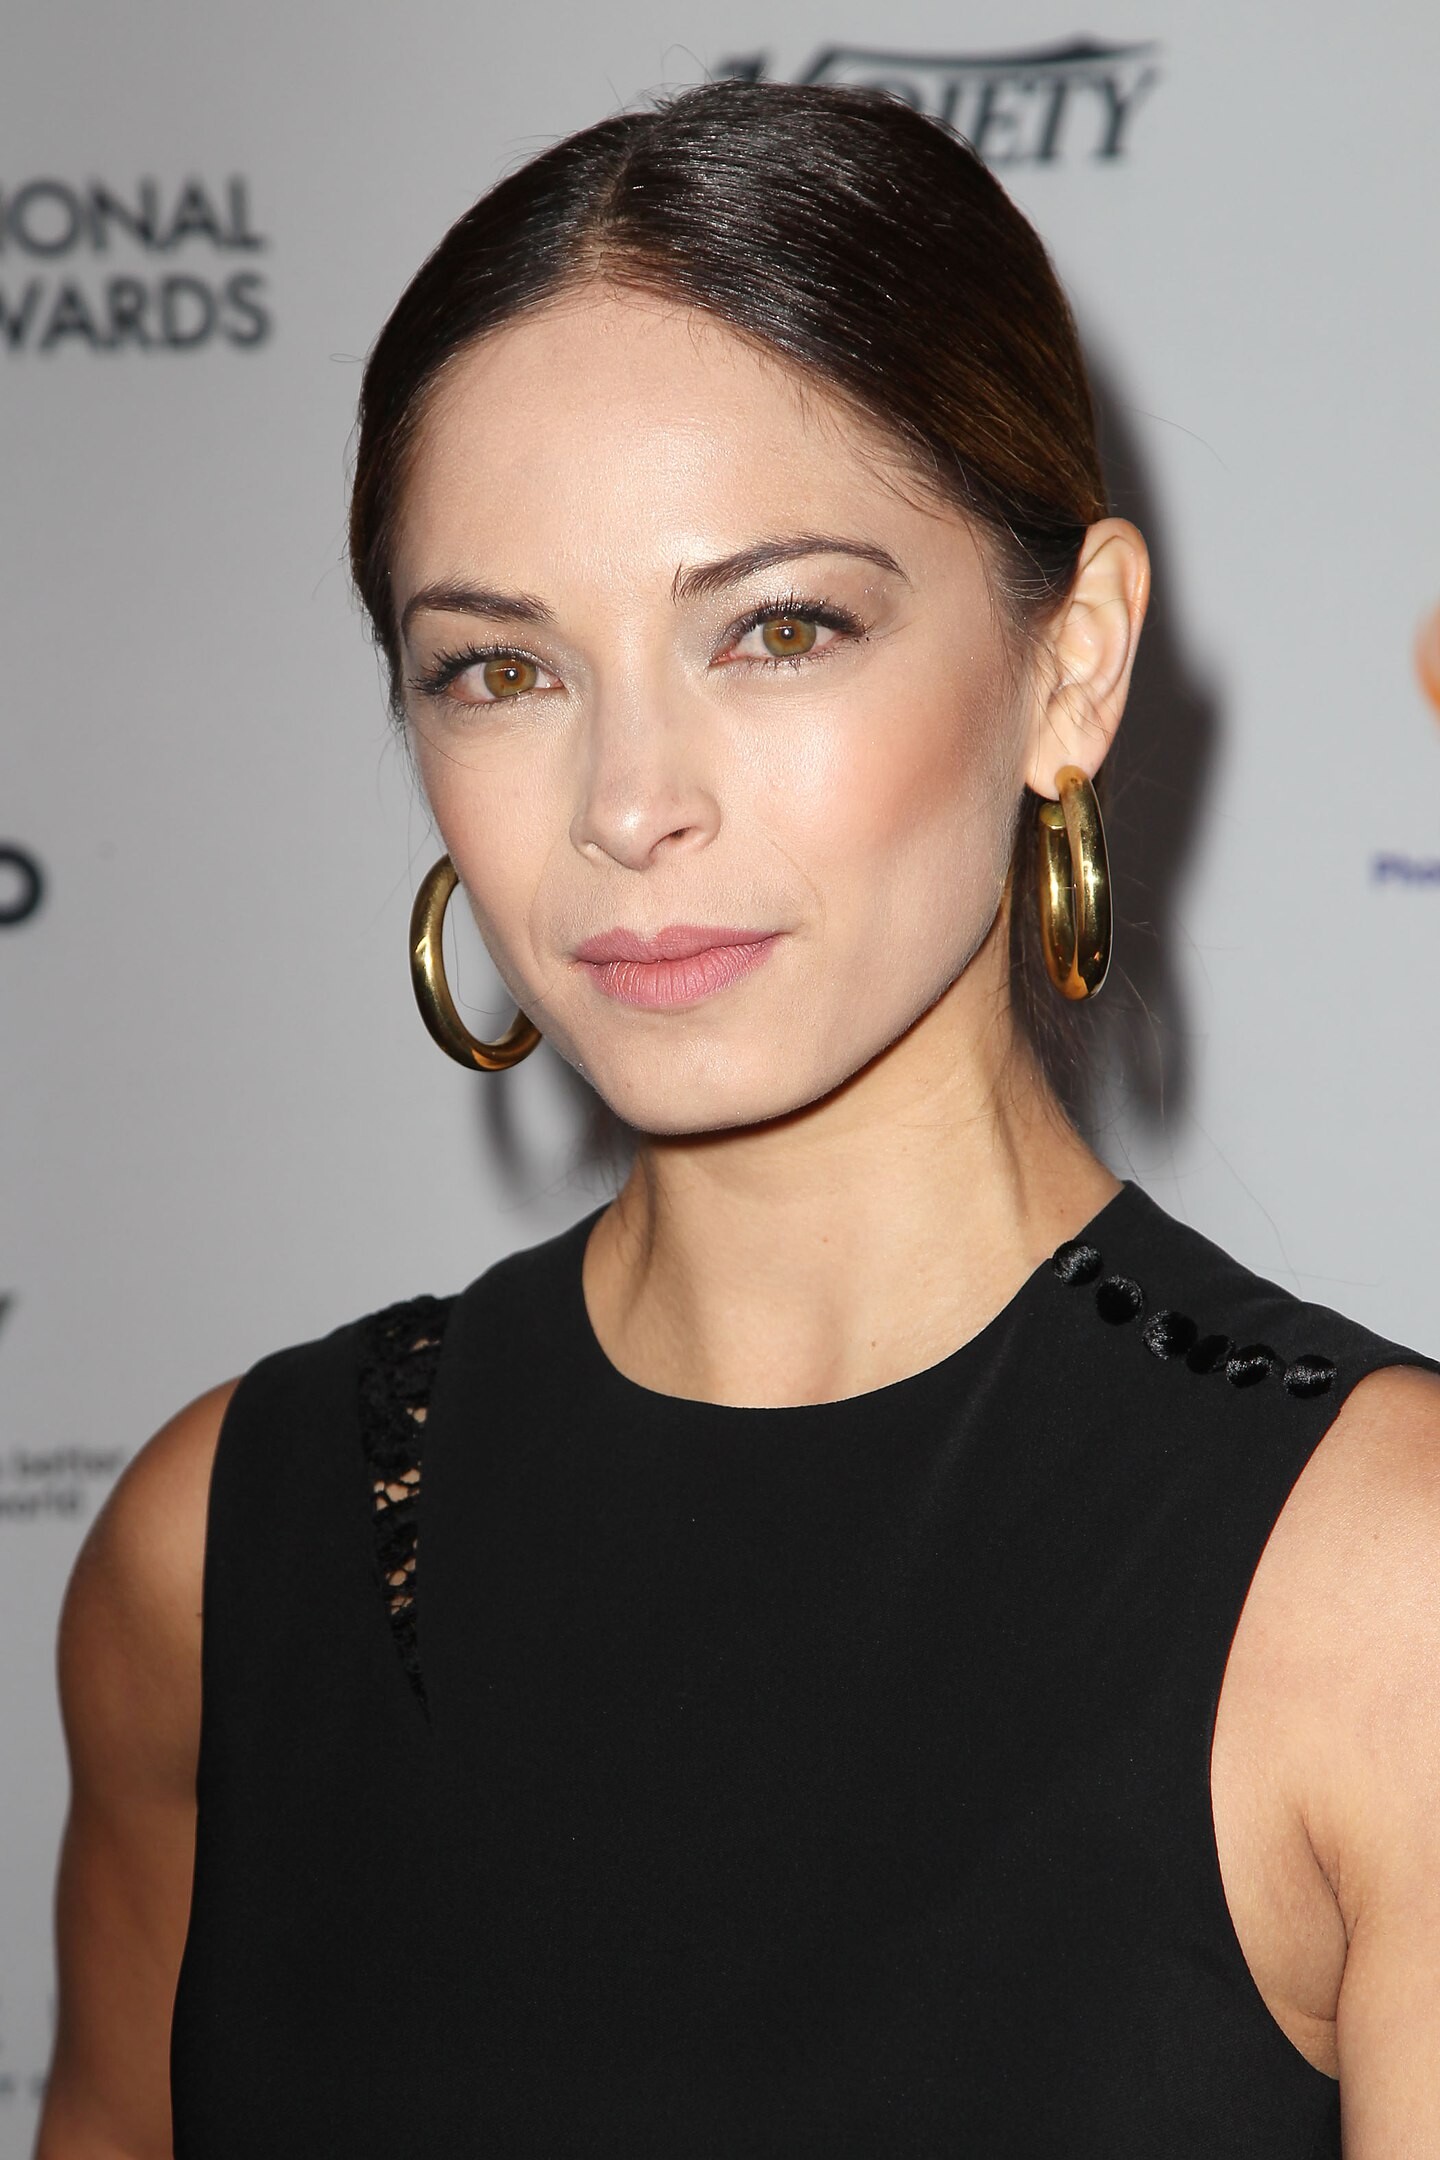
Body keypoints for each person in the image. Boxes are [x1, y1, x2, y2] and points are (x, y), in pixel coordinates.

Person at [35, 79, 1440, 2160]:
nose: (626, 804)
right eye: (500, 670)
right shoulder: (221, 1555)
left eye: (777, 629)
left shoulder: (1387, 1598)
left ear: (1072, 665)